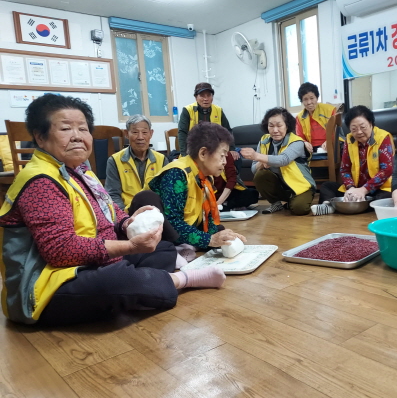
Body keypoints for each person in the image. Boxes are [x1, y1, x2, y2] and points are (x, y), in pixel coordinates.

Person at [0, 94, 227, 326]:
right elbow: (61, 251)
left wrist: (127, 222)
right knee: (119, 279)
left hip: (90, 261)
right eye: (66, 128)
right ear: (40, 137)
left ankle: (143, 282)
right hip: (45, 285)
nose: (77, 136)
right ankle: (180, 279)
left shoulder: (81, 171)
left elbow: (108, 210)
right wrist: (130, 247)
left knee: (164, 249)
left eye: (83, 129)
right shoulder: (41, 180)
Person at [149, 122, 247, 248]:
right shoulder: (177, 173)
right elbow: (172, 223)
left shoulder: (205, 177)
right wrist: (210, 240)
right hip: (159, 235)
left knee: (221, 230)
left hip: (188, 228)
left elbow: (207, 217)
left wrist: (222, 237)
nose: (224, 162)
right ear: (203, 154)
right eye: (222, 155)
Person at [313, 105, 394, 216]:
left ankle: (341, 206)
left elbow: (387, 170)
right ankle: (328, 206)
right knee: (327, 186)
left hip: (379, 188)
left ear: (371, 124)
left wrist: (364, 190)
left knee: (386, 197)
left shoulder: (383, 137)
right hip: (356, 188)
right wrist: (350, 188)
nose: (359, 132)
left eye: (363, 127)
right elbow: (344, 169)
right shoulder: (349, 139)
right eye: (354, 129)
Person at [240, 107, 315, 215]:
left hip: (300, 185)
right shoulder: (264, 140)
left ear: (287, 126)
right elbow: (253, 169)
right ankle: (276, 203)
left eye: (279, 126)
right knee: (260, 175)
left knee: (300, 209)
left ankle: (293, 202)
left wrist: (257, 156)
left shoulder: (297, 142)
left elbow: (283, 160)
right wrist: (261, 163)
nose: (275, 130)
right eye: (271, 126)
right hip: (281, 186)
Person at [105, 114, 167, 212]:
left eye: (144, 132)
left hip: (155, 211)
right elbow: (113, 194)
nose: (140, 137)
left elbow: (166, 192)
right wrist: (124, 217)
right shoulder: (114, 161)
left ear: (151, 133)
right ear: (126, 134)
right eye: (135, 132)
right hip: (129, 212)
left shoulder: (162, 160)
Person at [178, 82, 239, 162]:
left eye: (209, 95)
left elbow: (227, 130)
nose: (206, 99)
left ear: (212, 97)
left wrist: (232, 148)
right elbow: (182, 133)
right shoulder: (187, 110)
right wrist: (184, 154)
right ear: (196, 97)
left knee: (235, 159)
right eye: (202, 95)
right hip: (194, 150)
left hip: (215, 149)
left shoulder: (218, 110)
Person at [295, 82, 341, 153]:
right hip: (311, 149)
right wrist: (304, 143)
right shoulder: (300, 117)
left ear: (317, 98)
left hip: (329, 145)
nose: (309, 102)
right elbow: (299, 137)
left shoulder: (329, 110)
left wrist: (329, 141)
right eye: (305, 99)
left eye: (312, 98)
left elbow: (337, 131)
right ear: (302, 101)